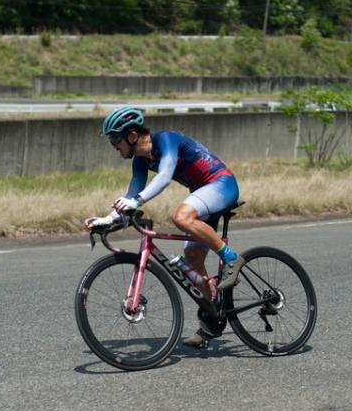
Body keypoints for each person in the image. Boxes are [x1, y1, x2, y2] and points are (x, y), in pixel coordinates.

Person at [85, 106, 246, 347]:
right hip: (203, 195)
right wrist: (108, 219)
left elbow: (164, 176)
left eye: (115, 139)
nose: (113, 145)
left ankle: (231, 259)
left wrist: (137, 201)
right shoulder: (140, 161)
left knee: (181, 217)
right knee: (192, 258)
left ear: (132, 135)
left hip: (221, 184)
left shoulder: (166, 139)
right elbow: (132, 194)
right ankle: (212, 318)